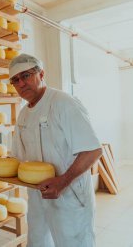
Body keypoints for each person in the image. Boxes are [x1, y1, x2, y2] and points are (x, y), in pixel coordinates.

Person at [10, 54, 102, 247]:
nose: (21, 84)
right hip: (38, 197)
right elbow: (16, 158)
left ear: (41, 74)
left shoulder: (64, 103)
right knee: (38, 243)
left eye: (26, 75)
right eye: (15, 80)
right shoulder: (23, 115)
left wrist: (63, 181)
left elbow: (93, 150)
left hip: (69, 197)